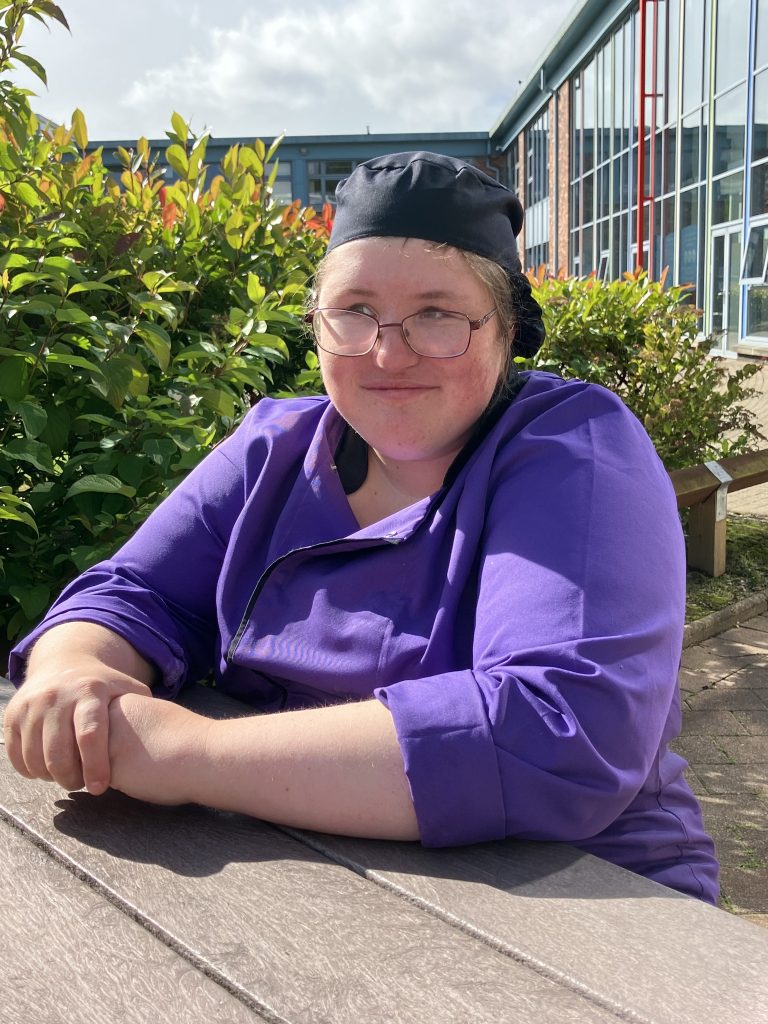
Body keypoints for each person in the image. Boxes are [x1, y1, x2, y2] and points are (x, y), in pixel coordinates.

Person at [4, 151, 719, 903]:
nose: (387, 352)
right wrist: (77, 671)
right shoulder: (273, 446)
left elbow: (562, 728)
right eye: (354, 311)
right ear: (317, 325)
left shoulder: (573, 446)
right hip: (300, 875)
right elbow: (132, 592)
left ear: (508, 328)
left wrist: (192, 753)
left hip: (588, 902)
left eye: (437, 314)